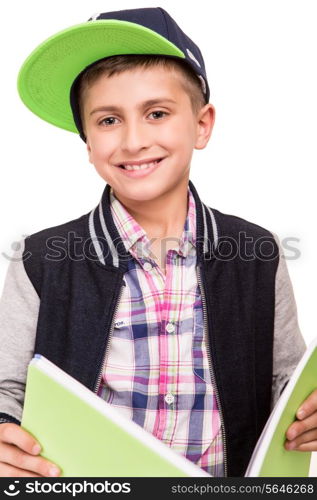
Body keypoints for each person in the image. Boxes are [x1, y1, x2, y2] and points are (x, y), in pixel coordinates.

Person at [0, 7, 315, 478]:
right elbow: (7, 388)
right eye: (108, 120)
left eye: (157, 113)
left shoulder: (259, 253)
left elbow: (287, 383)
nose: (133, 140)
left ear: (202, 124)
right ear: (87, 141)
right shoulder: (42, 259)